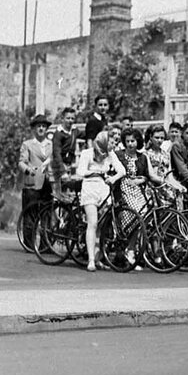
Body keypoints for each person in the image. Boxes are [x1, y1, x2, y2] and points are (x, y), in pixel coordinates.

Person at [75, 131, 125, 272]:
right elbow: (80, 171)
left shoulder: (110, 154)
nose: (113, 144)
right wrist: (95, 173)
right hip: (90, 187)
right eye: (110, 141)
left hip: (104, 188)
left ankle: (98, 257)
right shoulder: (87, 153)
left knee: (103, 225)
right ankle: (90, 259)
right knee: (93, 223)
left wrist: (113, 178)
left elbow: (122, 170)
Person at [115, 128, 163, 268]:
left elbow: (151, 175)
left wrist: (163, 182)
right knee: (134, 213)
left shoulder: (143, 157)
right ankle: (126, 248)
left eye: (133, 141)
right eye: (128, 141)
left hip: (138, 189)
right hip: (122, 187)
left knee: (144, 214)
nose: (130, 144)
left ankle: (130, 248)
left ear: (138, 142)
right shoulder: (119, 155)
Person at [19, 114, 53, 247]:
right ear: (33, 129)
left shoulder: (51, 144)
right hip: (32, 182)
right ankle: (29, 244)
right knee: (30, 215)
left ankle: (46, 246)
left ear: (46, 129)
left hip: (48, 183)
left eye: (43, 126)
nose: (41, 129)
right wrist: (28, 170)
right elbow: (21, 162)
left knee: (47, 214)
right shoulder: (27, 144)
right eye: (38, 126)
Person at [50, 107, 79, 200]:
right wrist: (62, 171)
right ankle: (55, 212)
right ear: (62, 119)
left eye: (72, 118)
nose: (70, 121)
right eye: (68, 118)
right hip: (58, 166)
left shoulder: (74, 131)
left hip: (69, 164)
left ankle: (67, 213)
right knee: (57, 193)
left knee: (68, 192)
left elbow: (85, 134)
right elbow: (56, 153)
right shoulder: (58, 133)